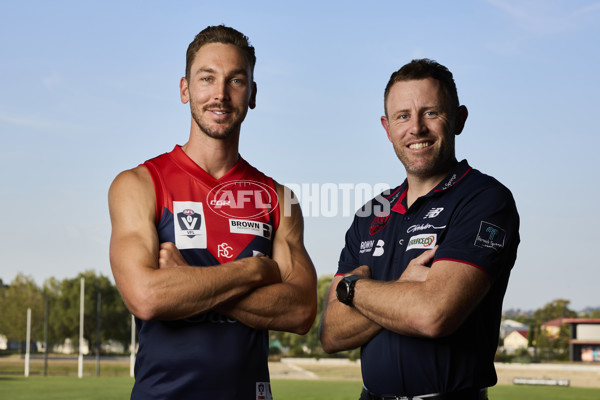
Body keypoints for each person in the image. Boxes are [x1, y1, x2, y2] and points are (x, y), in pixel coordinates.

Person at [108, 25, 317, 400]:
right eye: (207, 78)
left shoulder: (278, 198)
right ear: (185, 89)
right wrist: (252, 271)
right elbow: (147, 297)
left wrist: (188, 280)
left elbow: (301, 310)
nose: (219, 94)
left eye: (235, 80)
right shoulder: (139, 184)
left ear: (252, 94)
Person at [319, 59, 520, 400]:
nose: (416, 128)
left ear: (458, 119)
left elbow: (433, 314)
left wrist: (352, 289)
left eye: (430, 113)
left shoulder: (485, 199)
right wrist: (401, 290)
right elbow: (332, 334)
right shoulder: (370, 214)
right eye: (402, 116)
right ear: (386, 128)